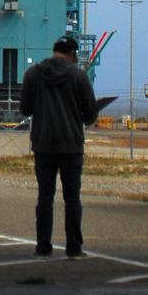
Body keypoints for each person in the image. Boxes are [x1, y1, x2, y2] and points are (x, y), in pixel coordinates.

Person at [19, 36, 98, 259]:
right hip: (71, 145)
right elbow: (90, 114)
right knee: (72, 197)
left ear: (54, 50)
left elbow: (25, 109)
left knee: (45, 197)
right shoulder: (79, 77)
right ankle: (74, 247)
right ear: (72, 54)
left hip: (43, 143)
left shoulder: (33, 74)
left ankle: (43, 246)